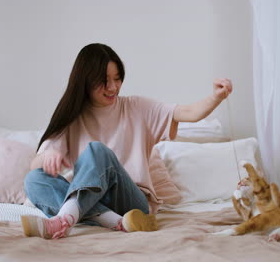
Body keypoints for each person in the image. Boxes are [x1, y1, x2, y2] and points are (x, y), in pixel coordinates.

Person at [21, 43, 232, 239]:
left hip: (132, 201)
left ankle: (64, 219)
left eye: (117, 78)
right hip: (94, 200)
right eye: (103, 80)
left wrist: (216, 97)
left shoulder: (137, 108)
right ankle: (116, 222)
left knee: (97, 151)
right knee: (33, 180)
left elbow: (188, 112)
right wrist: (48, 156)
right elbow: (36, 165)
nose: (113, 87)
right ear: (85, 81)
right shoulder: (72, 117)